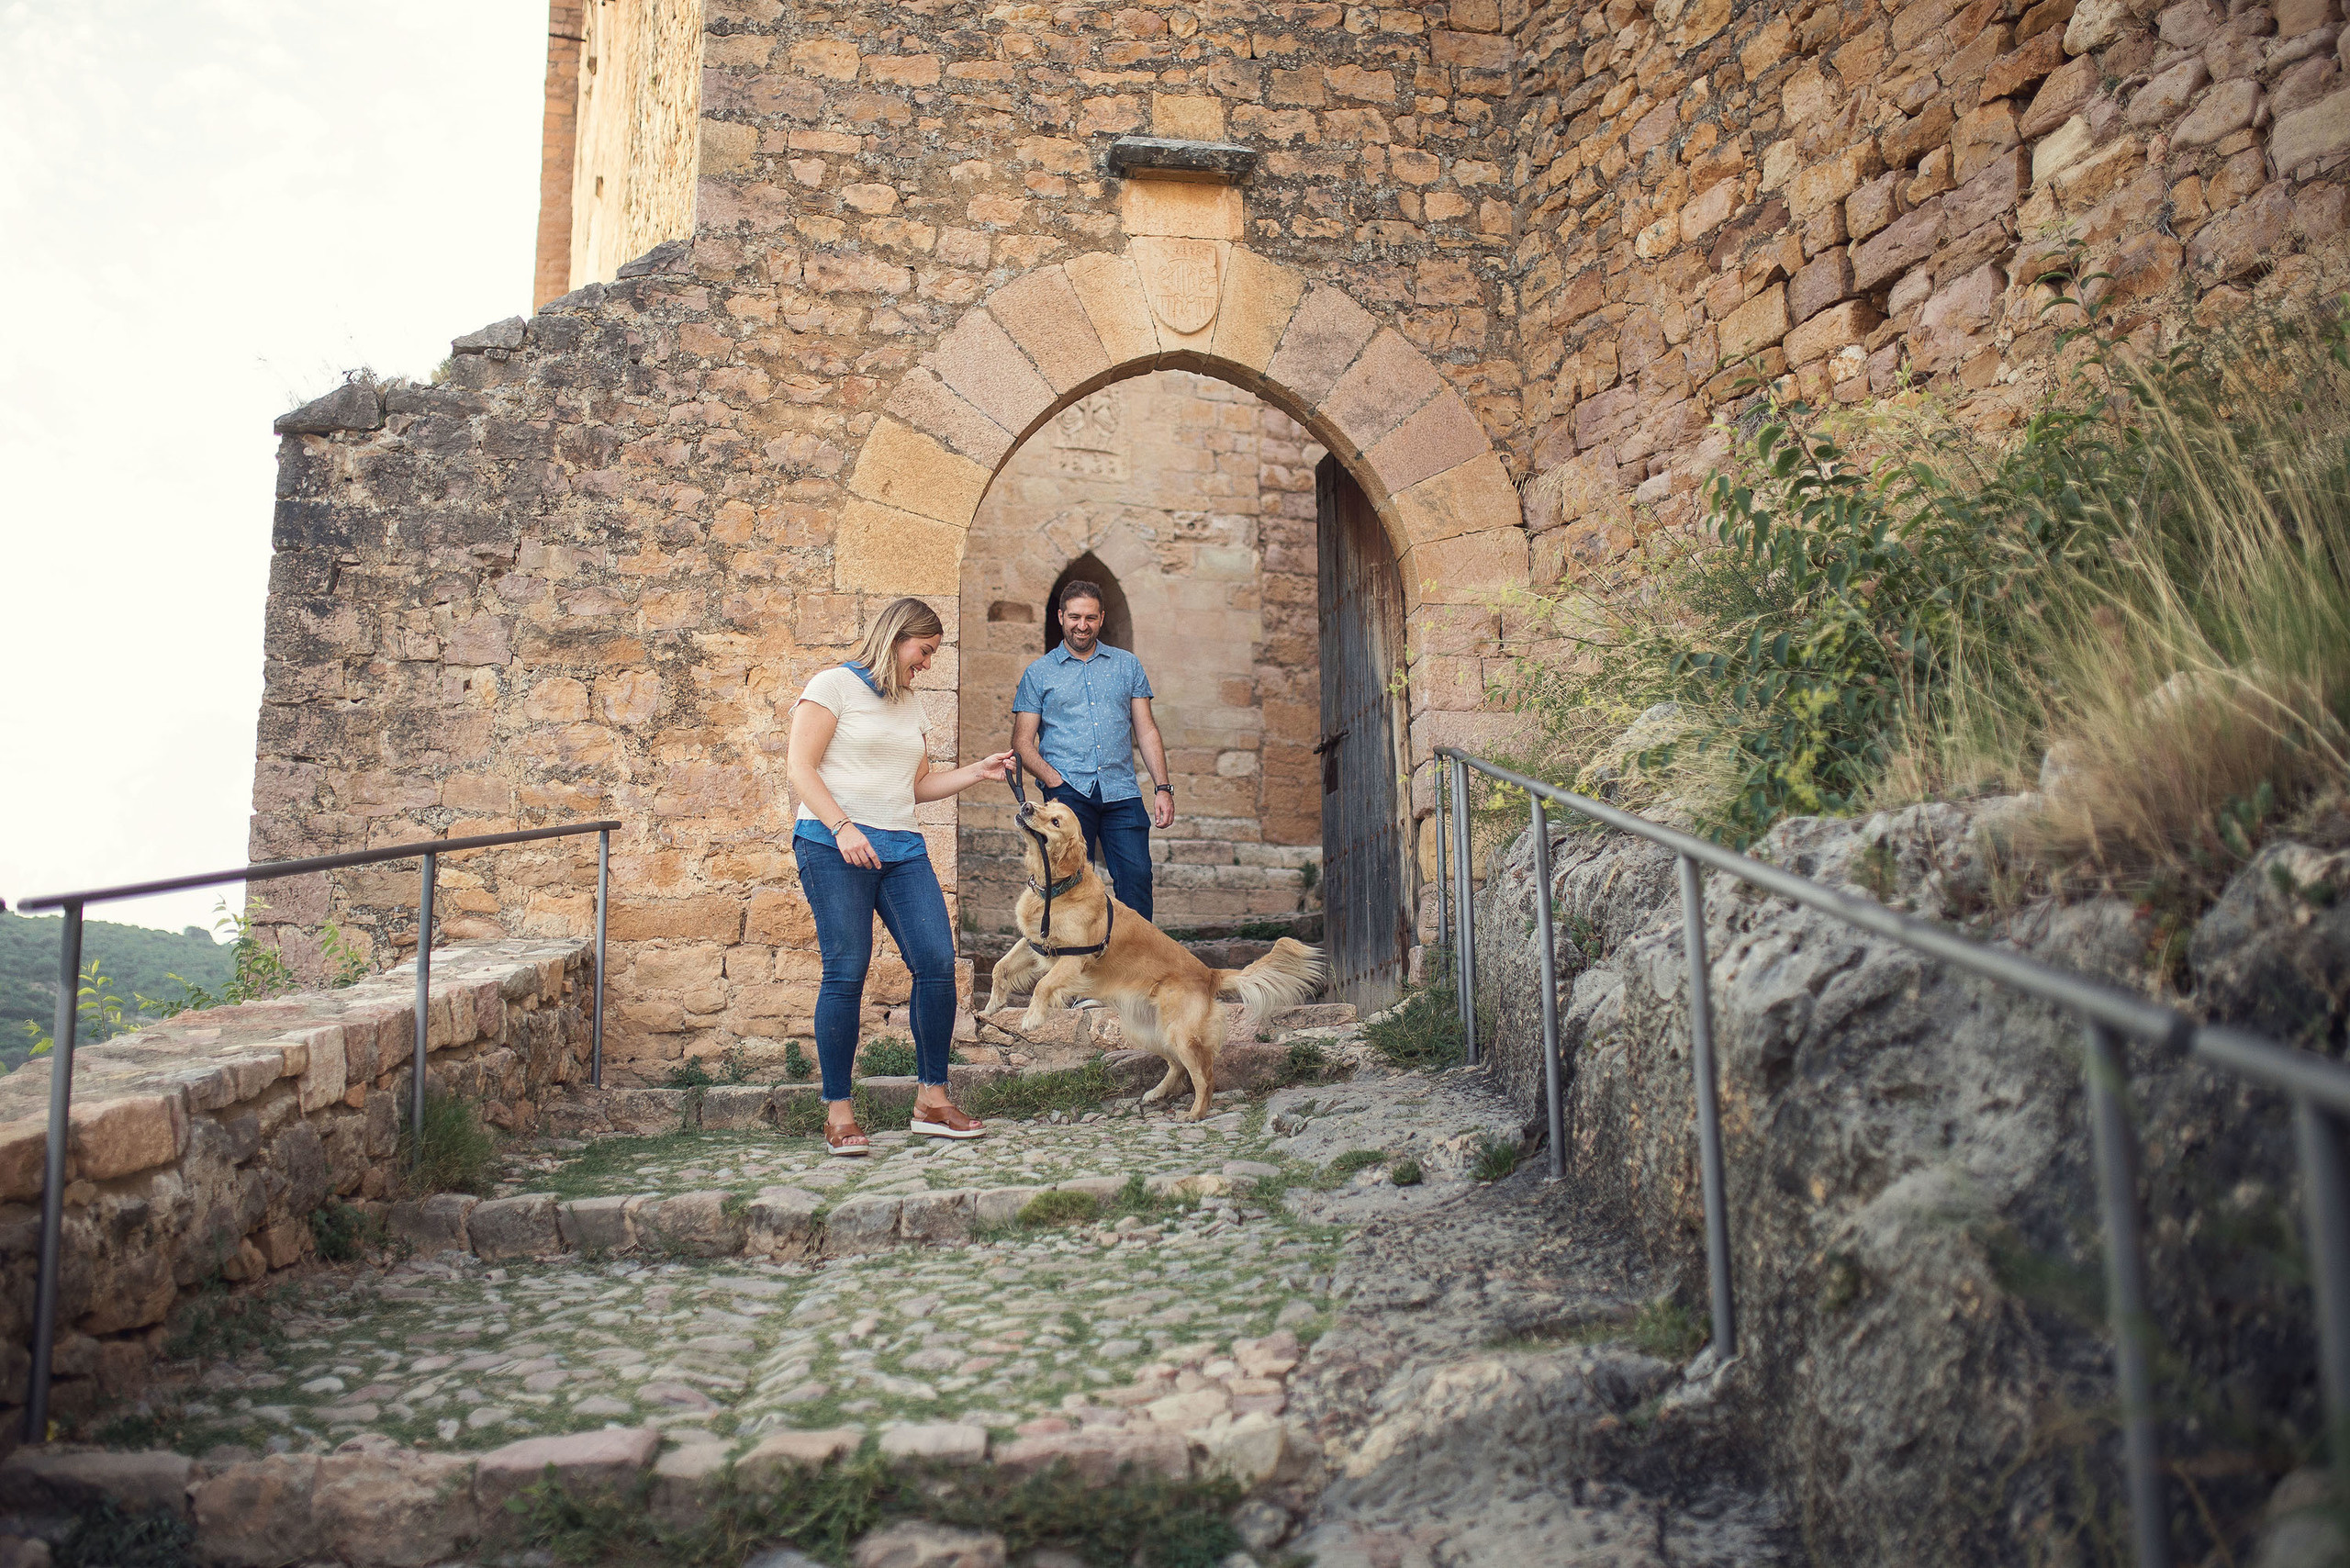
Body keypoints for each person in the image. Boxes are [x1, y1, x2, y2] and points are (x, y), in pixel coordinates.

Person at [788, 597, 1015, 1157]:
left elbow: (916, 786)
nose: (928, 663)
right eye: (925, 651)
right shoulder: (832, 687)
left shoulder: (911, 704)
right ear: (896, 638)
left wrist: (976, 773)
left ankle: (932, 1101)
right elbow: (799, 767)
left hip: (901, 846)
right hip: (831, 844)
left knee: (937, 962)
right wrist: (842, 828)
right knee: (847, 968)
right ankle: (838, 1112)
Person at [1011, 580, 1173, 921]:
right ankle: (1073, 962)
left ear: (1102, 618)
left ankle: (1136, 968)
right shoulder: (1038, 674)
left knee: (1137, 880)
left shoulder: (1127, 666)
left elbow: (1146, 730)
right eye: (1074, 617)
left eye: (1090, 617)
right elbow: (1022, 743)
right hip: (1067, 795)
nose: (1081, 626)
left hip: (1121, 791)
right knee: (1067, 884)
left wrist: (1162, 788)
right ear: (1060, 617)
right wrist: (1055, 781)